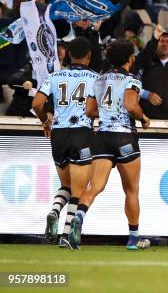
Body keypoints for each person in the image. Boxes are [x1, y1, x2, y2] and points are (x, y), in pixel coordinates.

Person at [70, 40, 151, 250]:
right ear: (130, 59)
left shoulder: (98, 80)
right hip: (124, 137)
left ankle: (78, 216)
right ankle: (133, 239)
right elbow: (131, 104)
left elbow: (89, 110)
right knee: (131, 190)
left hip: (103, 137)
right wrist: (143, 118)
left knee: (94, 187)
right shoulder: (132, 79)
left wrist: (107, 113)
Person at [31, 37, 98, 248]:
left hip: (58, 133)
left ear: (68, 54)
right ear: (89, 56)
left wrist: (45, 122)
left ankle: (54, 211)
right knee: (79, 189)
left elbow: (37, 103)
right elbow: (95, 108)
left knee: (66, 185)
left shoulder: (55, 76)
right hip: (81, 131)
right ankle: (67, 237)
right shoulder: (96, 78)